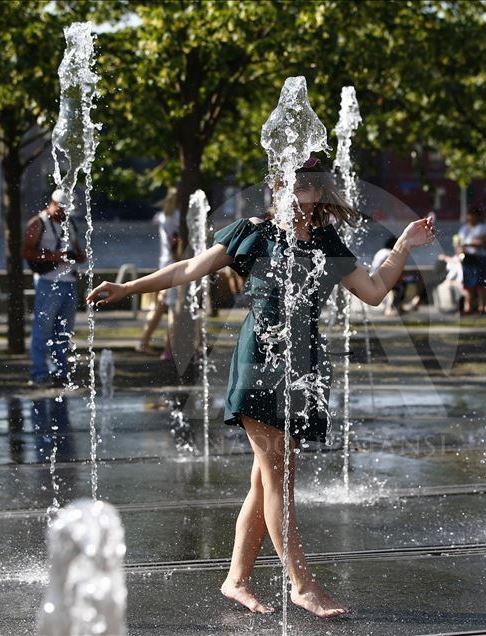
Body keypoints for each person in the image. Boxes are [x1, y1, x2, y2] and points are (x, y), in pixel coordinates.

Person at [87, 155, 436, 618]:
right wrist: (129, 289)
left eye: (311, 183)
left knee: (265, 478)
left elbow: (373, 291)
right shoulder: (253, 230)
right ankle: (302, 584)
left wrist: (406, 245)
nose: (301, 190)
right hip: (261, 362)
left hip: (304, 366)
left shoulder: (326, 240)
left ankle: (236, 580)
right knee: (279, 479)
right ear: (277, 184)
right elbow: (188, 269)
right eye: (293, 181)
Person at [22, 189, 86, 387]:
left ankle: (60, 372)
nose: (63, 214)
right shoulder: (38, 223)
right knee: (43, 329)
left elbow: (76, 249)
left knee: (64, 331)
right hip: (48, 281)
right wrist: (53, 257)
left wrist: (77, 257)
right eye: (61, 209)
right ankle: (39, 373)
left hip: (70, 281)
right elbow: (25, 251)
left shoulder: (70, 224)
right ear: (52, 203)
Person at [137, 202, 180, 357]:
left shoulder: (163, 215)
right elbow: (177, 240)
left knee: (161, 305)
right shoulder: (178, 215)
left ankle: (144, 341)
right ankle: (168, 348)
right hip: (176, 264)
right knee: (174, 306)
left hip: (164, 262)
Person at [457, 208, 486, 314]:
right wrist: (459, 251)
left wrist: (467, 243)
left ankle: (484, 306)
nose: (470, 217)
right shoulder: (463, 229)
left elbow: (482, 242)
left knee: (481, 283)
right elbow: (458, 243)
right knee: (468, 284)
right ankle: (468, 306)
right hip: (467, 258)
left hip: (479, 257)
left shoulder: (482, 228)